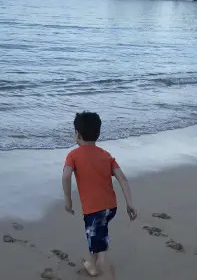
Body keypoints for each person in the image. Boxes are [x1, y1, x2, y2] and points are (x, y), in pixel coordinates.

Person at [62, 112, 137, 279]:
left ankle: (99, 268)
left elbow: (66, 176)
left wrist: (68, 202)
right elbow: (122, 178)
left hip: (94, 211)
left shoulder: (73, 155)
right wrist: (130, 203)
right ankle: (91, 265)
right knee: (97, 235)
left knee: (102, 252)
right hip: (111, 208)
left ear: (77, 133)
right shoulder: (106, 155)